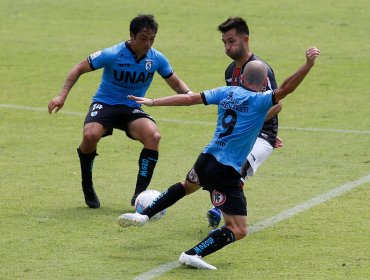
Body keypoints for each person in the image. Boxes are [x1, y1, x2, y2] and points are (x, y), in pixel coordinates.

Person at [117, 47, 320, 270]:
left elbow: (190, 98)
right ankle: (193, 254)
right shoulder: (261, 100)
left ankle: (144, 216)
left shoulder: (225, 92)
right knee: (239, 229)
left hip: (206, 158)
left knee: (187, 186)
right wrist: (308, 65)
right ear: (264, 84)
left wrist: (154, 101)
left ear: (241, 77)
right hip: (227, 170)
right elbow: (287, 88)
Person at [47, 14, 191, 208]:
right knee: (90, 135)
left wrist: (191, 95)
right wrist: (61, 96)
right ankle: (87, 184)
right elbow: (78, 68)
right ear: (132, 36)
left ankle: (140, 195)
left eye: (152, 39)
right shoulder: (112, 53)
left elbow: (175, 82)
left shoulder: (156, 58)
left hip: (132, 108)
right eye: (143, 38)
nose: (148, 43)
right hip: (105, 104)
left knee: (153, 136)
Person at [207, 16, 283, 229]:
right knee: (211, 169)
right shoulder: (230, 71)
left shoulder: (260, 69)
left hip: (263, 134)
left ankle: (221, 211)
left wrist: (255, 125)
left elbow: (277, 105)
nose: (227, 47)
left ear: (245, 39)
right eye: (224, 43)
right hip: (239, 135)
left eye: (231, 41)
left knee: (237, 169)